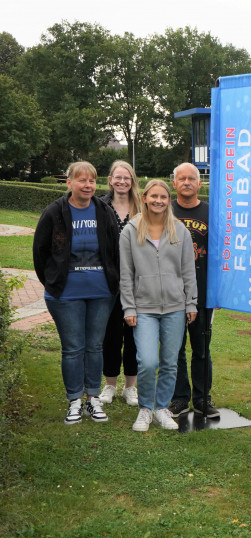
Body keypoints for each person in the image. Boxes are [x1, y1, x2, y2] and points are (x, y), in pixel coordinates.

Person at [32, 161, 119, 425]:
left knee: (94, 346)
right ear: (69, 183)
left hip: (102, 292)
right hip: (65, 295)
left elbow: (115, 250)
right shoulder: (54, 212)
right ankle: (74, 401)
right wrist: (52, 282)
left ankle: (93, 399)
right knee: (72, 349)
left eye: (91, 181)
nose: (87, 185)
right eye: (81, 180)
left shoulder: (104, 212)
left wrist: (113, 282)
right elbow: (40, 252)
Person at [119, 179, 198, 432]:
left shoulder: (179, 230)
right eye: (154, 196)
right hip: (143, 308)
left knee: (170, 361)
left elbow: (188, 270)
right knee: (148, 361)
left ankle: (162, 408)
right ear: (144, 198)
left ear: (168, 199)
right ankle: (145, 409)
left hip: (175, 306)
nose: (159, 201)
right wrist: (129, 307)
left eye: (163, 197)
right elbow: (126, 273)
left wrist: (191, 303)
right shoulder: (130, 230)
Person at [169, 163, 219, 418]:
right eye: (182, 178)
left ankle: (202, 398)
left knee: (201, 348)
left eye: (192, 178)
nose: (187, 182)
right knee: (175, 349)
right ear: (174, 183)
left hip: (202, 293)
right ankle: (179, 398)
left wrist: (219, 291)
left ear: (200, 184)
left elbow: (221, 255)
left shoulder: (212, 213)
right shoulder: (164, 212)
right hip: (170, 293)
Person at [99, 160, 141, 407]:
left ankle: (130, 387)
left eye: (126, 177)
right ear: (111, 179)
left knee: (134, 335)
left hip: (138, 282)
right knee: (111, 335)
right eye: (118, 177)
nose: (122, 181)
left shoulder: (142, 207)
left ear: (132, 180)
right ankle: (110, 385)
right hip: (108, 281)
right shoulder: (100, 206)